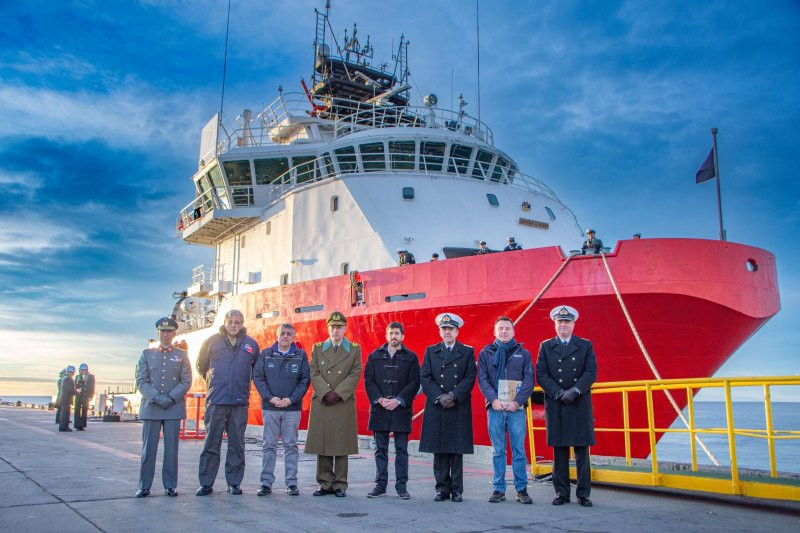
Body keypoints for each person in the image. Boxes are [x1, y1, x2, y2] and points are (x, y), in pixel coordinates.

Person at [535, 305, 598, 508]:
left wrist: (575, 391)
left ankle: (583, 494)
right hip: (557, 404)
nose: (563, 325)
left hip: (579, 403)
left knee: (582, 452)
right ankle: (561, 493)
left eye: (567, 322)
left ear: (573, 324)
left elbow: (590, 372)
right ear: (555, 324)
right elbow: (541, 374)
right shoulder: (545, 346)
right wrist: (558, 393)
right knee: (559, 452)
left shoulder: (585, 345)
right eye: (560, 322)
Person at [196, 309, 260, 496]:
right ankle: (206, 483)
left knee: (237, 444)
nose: (234, 325)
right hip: (216, 400)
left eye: (237, 322)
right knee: (211, 443)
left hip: (239, 402)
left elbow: (256, 368)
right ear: (225, 322)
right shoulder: (211, 342)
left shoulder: (251, 344)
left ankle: (234, 483)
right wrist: (214, 384)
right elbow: (202, 366)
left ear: (242, 324)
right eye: (230, 321)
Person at [419, 313, 477, 502]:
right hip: (438, 405)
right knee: (440, 450)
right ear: (440, 331)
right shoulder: (430, 351)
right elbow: (425, 377)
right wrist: (439, 397)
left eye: (450, 329)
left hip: (457, 405)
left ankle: (457, 490)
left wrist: (453, 396)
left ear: (457, 331)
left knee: (456, 450)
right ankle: (442, 488)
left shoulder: (467, 352)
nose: (447, 332)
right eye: (444, 329)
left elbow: (470, 377)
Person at [477, 317, 534, 504]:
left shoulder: (523, 354)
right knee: (498, 450)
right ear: (494, 332)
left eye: (507, 328)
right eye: (500, 328)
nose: (504, 331)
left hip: (516, 409)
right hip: (495, 408)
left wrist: (517, 402)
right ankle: (498, 489)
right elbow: (482, 379)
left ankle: (522, 489)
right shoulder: (486, 353)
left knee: (519, 450)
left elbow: (529, 380)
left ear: (513, 332)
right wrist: (493, 400)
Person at [306, 311, 362, 497]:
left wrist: (338, 393)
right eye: (332, 327)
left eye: (339, 327)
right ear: (328, 328)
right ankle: (324, 483)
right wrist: (325, 392)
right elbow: (314, 371)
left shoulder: (354, 349)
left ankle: (340, 484)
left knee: (341, 444)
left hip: (342, 401)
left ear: (345, 329)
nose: (335, 330)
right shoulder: (318, 348)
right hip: (323, 400)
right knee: (323, 444)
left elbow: (355, 373)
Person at [135, 317, 192, 498]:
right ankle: (144, 485)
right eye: (162, 331)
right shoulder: (147, 354)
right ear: (158, 333)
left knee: (171, 450)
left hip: (173, 408)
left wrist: (171, 398)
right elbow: (141, 381)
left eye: (169, 331)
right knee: (148, 449)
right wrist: (159, 398)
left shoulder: (182, 355)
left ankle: (170, 485)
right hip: (152, 407)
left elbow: (186, 380)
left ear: (174, 333)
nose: (166, 335)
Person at [364, 322, 421, 499]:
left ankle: (401, 486)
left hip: (401, 409)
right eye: (391, 333)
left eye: (397, 333)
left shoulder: (411, 357)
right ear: (386, 336)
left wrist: (398, 400)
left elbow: (414, 382)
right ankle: (380, 485)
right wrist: (380, 399)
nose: (394, 336)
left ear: (402, 336)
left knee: (401, 449)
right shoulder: (374, 356)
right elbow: (369, 381)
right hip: (379, 408)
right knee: (380, 449)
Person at [253, 323, 310, 497]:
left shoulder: (300, 356)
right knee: (268, 445)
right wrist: (270, 398)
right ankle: (266, 483)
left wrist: (291, 399)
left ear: (293, 337)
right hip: (271, 408)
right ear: (277, 336)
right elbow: (258, 377)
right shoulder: (266, 354)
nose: (285, 336)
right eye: (282, 334)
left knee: (291, 446)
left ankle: (291, 483)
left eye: (288, 334)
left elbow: (305, 380)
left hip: (292, 409)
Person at [73, 363, 95, 431]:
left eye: (83, 370)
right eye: (81, 370)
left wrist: (91, 396)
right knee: (76, 411)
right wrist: (75, 392)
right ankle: (77, 425)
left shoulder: (91, 377)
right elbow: (75, 386)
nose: (81, 371)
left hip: (86, 396)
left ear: (86, 370)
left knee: (84, 411)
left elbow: (92, 387)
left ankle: (82, 425)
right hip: (78, 396)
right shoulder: (77, 377)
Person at [58, 366, 76, 432]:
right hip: (66, 398)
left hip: (64, 398)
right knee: (65, 414)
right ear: (71, 372)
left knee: (64, 413)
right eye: (73, 372)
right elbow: (69, 389)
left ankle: (63, 427)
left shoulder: (65, 378)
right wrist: (77, 391)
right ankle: (64, 427)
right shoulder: (67, 379)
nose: (73, 374)